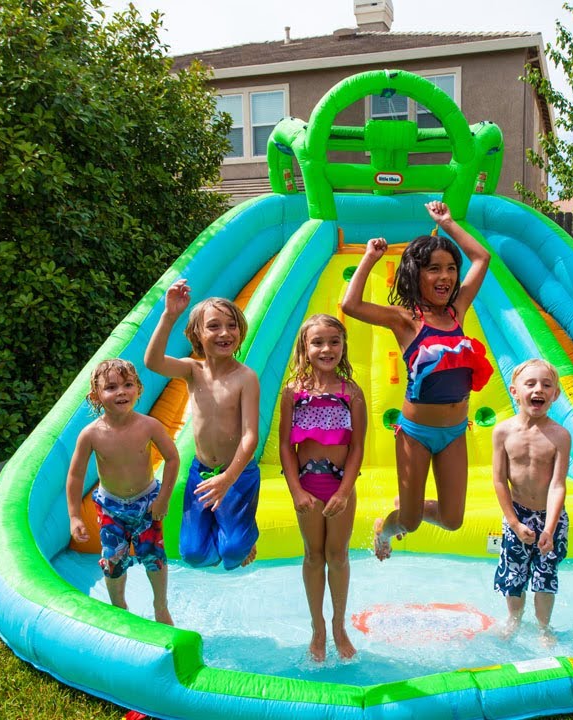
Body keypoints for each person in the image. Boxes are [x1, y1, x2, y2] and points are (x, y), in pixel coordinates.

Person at [341, 199, 493, 560]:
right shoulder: (406, 319)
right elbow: (351, 305)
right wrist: (369, 258)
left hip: (455, 431)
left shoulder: (457, 312)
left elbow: (482, 258)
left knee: (453, 520)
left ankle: (407, 507)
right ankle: (385, 529)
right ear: (415, 274)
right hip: (416, 433)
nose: (445, 277)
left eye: (451, 268)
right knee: (407, 522)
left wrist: (449, 221)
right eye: (434, 269)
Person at [144, 279, 261, 570]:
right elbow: (152, 362)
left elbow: (249, 437)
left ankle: (244, 539)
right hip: (202, 471)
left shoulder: (246, 378)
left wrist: (228, 479)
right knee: (194, 555)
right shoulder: (192, 370)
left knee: (234, 553)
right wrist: (169, 315)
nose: (225, 333)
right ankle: (229, 536)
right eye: (213, 326)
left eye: (232, 325)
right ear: (196, 332)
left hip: (238, 473)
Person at [278, 314, 366, 661]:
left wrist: (344, 492)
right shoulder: (292, 392)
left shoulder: (351, 392)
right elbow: (286, 446)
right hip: (308, 486)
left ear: (343, 346)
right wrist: (296, 491)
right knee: (313, 555)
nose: (326, 348)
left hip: (339, 485)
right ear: (305, 347)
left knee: (338, 555)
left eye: (334, 341)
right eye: (317, 342)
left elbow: (358, 446)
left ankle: (339, 625)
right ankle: (318, 628)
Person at [66, 358, 181, 625]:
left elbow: (173, 459)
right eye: (111, 387)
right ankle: (119, 607)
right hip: (111, 507)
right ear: (96, 395)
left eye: (128, 385)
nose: (121, 392)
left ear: (139, 390)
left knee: (154, 557)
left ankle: (160, 606)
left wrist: (163, 498)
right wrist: (74, 516)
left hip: (147, 503)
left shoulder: (149, 426)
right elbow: (75, 475)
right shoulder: (91, 434)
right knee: (113, 561)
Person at [491, 359, 570, 643]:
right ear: (514, 391)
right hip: (517, 513)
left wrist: (549, 528)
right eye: (531, 384)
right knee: (514, 574)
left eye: (547, 385)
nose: (539, 389)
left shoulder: (560, 435)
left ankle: (543, 628)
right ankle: (514, 619)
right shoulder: (502, 432)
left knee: (545, 575)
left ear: (555, 395)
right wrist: (513, 522)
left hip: (550, 517)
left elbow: (558, 484)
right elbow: (499, 480)